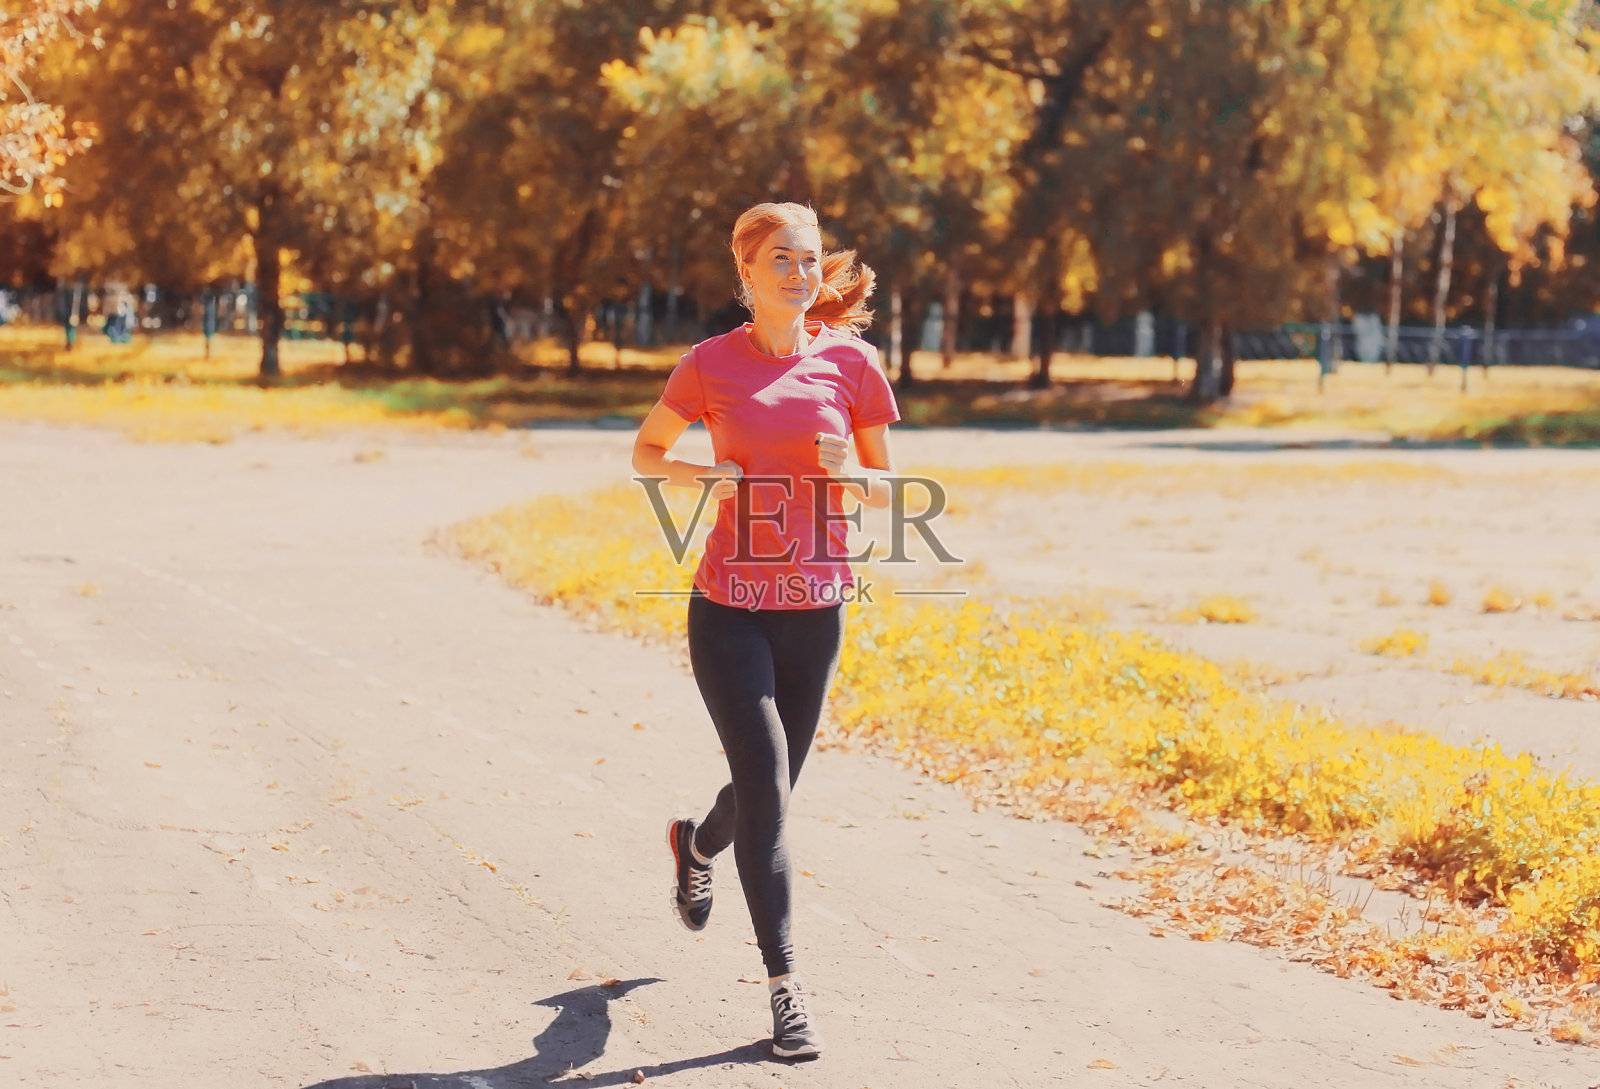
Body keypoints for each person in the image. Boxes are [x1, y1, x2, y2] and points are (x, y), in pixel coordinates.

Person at [630, 202, 900, 1060]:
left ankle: (695, 842)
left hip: (815, 608)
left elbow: (888, 492)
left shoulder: (853, 365)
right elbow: (646, 451)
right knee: (770, 790)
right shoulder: (709, 365)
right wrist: (700, 467)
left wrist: (852, 471)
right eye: (779, 258)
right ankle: (787, 989)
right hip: (729, 606)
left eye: (809, 258)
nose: (797, 271)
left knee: (765, 789)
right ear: (745, 274)